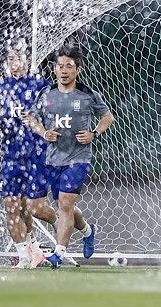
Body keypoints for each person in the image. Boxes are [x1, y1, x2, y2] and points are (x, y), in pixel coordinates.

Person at [24, 45, 112, 269]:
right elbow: (31, 119)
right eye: (60, 66)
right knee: (40, 207)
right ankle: (87, 230)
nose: (64, 70)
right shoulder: (46, 94)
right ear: (54, 69)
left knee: (65, 203)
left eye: (69, 66)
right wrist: (44, 132)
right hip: (52, 158)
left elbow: (107, 117)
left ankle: (58, 254)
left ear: (77, 69)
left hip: (78, 157)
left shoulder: (87, 94)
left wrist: (94, 133)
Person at [0, 48, 50, 268]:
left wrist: (36, 118)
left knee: (30, 207)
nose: (14, 63)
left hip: (36, 155)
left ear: (29, 60)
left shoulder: (40, 85)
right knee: (11, 205)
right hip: (11, 156)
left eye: (19, 58)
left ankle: (42, 244)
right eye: (10, 58)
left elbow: (54, 113)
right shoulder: (1, 88)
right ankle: (23, 256)